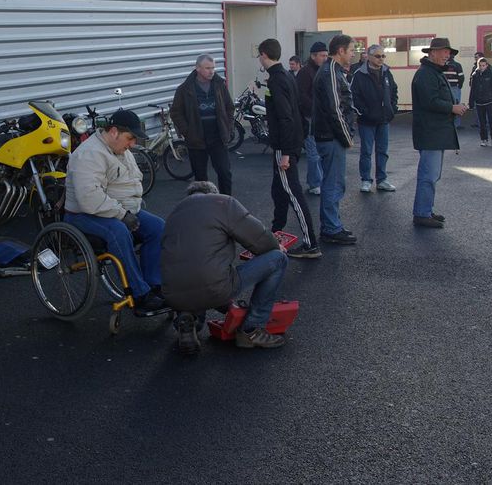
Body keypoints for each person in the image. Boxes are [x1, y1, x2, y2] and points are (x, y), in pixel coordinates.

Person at [162, 181, 288, 355]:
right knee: (278, 259)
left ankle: (188, 317)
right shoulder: (222, 203)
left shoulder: (174, 214)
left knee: (191, 270)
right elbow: (259, 238)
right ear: (213, 193)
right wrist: (275, 245)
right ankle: (252, 330)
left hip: (173, 294)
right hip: (214, 285)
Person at [64, 109, 166, 313]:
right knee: (117, 231)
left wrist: (127, 211)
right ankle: (139, 295)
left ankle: (154, 286)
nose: (132, 144)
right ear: (113, 132)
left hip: (118, 209)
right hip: (83, 215)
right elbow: (89, 199)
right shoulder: (90, 154)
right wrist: (122, 215)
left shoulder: (121, 150)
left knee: (158, 228)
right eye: (130, 138)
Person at [258, 39, 320, 258]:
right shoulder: (286, 75)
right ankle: (275, 233)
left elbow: (285, 117)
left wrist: (285, 152)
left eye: (259, 56)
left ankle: (311, 243)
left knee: (293, 193)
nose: (259, 59)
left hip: (284, 146)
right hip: (290, 142)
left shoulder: (276, 80)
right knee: (279, 191)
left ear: (264, 55)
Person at [411, 37, 469, 228]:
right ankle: (422, 213)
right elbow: (430, 101)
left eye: (449, 52)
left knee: (432, 174)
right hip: (431, 133)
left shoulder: (432, 72)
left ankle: (426, 210)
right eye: (445, 51)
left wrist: (454, 106)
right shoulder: (426, 74)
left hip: (435, 132)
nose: (448, 55)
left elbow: (434, 100)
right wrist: (452, 108)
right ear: (432, 53)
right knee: (429, 175)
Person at [312, 34, 357, 245]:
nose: (353, 54)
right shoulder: (330, 72)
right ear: (340, 51)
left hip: (331, 136)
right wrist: (347, 137)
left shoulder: (334, 71)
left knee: (336, 182)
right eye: (351, 50)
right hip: (330, 137)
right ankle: (331, 228)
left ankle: (333, 225)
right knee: (333, 183)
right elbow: (335, 109)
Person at [171, 54, 235, 195]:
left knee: (224, 173)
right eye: (207, 68)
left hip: (217, 136)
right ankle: (203, 207)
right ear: (198, 68)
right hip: (196, 138)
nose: (211, 71)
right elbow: (176, 112)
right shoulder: (185, 88)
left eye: (213, 68)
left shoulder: (219, 85)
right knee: (200, 179)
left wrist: (228, 127)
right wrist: (187, 131)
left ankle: (226, 203)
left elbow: (229, 107)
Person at [350, 44, 399, 192]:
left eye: (383, 56)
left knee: (382, 150)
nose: (381, 59)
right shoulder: (359, 74)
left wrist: (392, 109)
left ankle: (382, 179)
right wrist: (363, 112)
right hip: (366, 121)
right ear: (369, 57)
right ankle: (366, 180)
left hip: (384, 119)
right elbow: (353, 96)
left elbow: (394, 91)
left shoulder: (387, 72)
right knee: (366, 151)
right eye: (378, 56)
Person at [296, 42, 329, 195]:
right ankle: (315, 183)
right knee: (313, 153)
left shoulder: (324, 70)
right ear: (313, 56)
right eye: (322, 55)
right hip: (310, 117)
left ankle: (315, 181)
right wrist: (316, 109)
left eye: (326, 55)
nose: (325, 57)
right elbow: (302, 96)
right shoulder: (305, 72)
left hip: (321, 117)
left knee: (320, 152)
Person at [468, 56, 492, 147]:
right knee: (481, 122)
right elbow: (473, 90)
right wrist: (471, 103)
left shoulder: (491, 74)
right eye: (480, 65)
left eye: (483, 65)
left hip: (490, 101)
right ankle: (483, 139)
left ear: (486, 65)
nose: (482, 67)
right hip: (479, 102)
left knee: (491, 121)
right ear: (478, 65)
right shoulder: (475, 75)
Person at [468, 52, 491, 129]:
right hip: (477, 92)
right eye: (475, 57)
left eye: (476, 57)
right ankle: (478, 122)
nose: (475, 58)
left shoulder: (488, 68)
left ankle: (486, 123)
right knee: (476, 108)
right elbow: (472, 76)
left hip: (485, 93)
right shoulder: (475, 67)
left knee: (485, 109)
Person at [443, 53, 465, 128]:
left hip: (445, 88)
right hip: (455, 88)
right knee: (457, 105)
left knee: (447, 105)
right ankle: (457, 124)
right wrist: (459, 86)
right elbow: (461, 77)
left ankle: (447, 123)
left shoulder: (443, 65)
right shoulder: (457, 65)